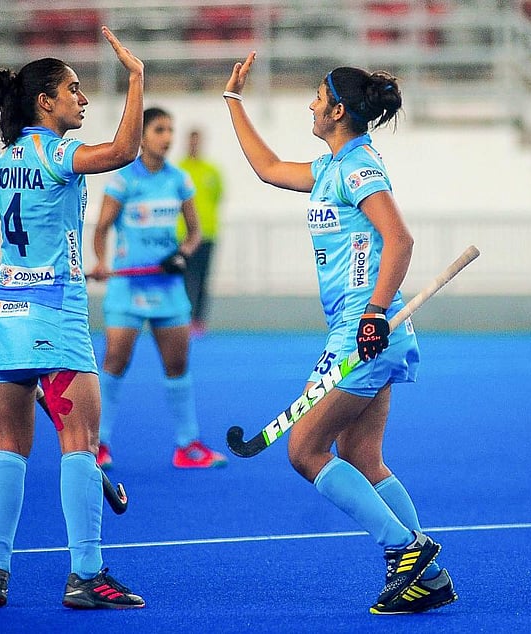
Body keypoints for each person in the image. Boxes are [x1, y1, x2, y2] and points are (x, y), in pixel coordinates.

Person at [222, 53, 456, 615]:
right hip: (362, 330)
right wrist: (233, 102)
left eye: (317, 97)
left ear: (339, 110)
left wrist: (374, 312)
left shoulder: (360, 167)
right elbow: (269, 167)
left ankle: (406, 550)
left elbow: (399, 240)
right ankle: (428, 576)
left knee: (304, 450)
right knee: (362, 458)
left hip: (364, 331)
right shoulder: (331, 167)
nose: (310, 104)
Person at [0, 26, 146, 610]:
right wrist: (136, 80)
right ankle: (87, 575)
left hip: (5, 317)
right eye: (75, 90)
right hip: (56, 316)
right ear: (45, 102)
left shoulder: (3, 160)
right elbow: (124, 152)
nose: (82, 100)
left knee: (9, 445)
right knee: (79, 443)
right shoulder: (56, 152)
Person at [87, 107, 228, 471]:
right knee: (115, 364)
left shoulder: (179, 180)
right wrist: (102, 262)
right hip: (127, 290)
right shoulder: (122, 181)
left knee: (178, 366)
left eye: (170, 130)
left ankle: (187, 446)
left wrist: (181, 254)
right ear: (143, 136)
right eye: (159, 129)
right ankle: (97, 444)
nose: (167, 137)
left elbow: (194, 233)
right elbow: (101, 229)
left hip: (167, 290)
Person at [177, 128, 224, 336]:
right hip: (182, 235)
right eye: (191, 141)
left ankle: (198, 320)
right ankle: (182, 319)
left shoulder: (212, 171)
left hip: (207, 234)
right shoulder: (179, 170)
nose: (194, 145)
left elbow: (217, 196)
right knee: (184, 279)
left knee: (203, 279)